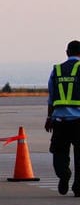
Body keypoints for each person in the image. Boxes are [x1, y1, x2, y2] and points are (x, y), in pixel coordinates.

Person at [46, 40, 80, 196]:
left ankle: (63, 174)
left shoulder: (57, 70)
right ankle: (78, 187)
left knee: (59, 153)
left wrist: (49, 117)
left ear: (67, 52)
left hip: (60, 121)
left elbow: (51, 97)